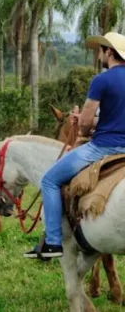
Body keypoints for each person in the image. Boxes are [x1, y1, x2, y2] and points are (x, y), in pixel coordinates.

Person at [25, 32, 125, 259]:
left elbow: (87, 121)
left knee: (49, 180)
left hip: (103, 148)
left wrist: (84, 129)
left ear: (109, 52)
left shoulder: (102, 79)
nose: (99, 54)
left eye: (100, 49)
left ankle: (52, 242)